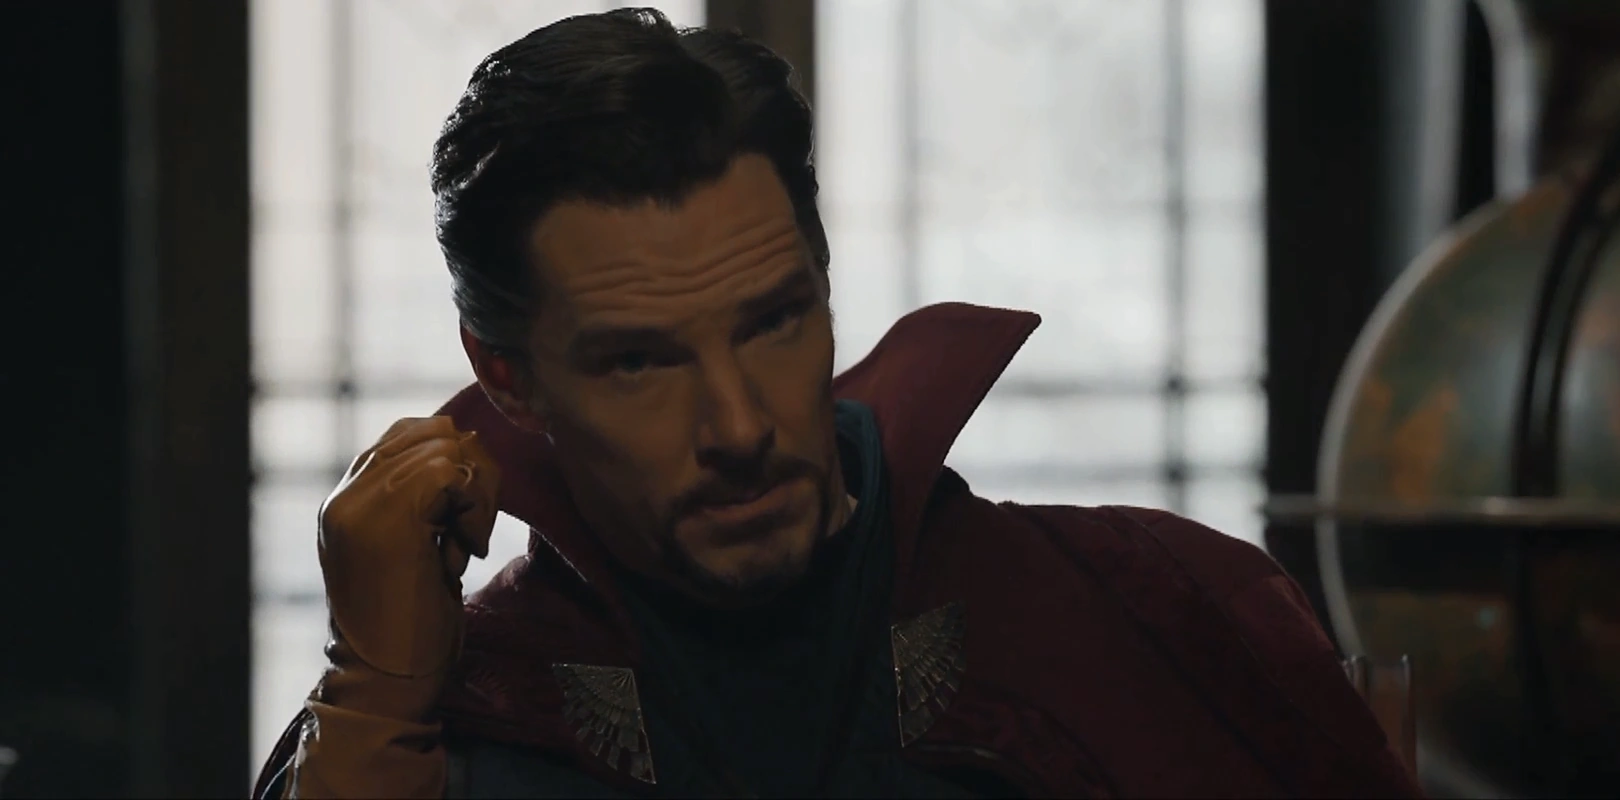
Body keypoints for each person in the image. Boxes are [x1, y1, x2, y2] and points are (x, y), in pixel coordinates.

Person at [252, 8, 1421, 798]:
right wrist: (373, 697)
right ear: (510, 376)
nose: (739, 427)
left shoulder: (1148, 610)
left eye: (772, 321)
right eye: (640, 363)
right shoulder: (465, 719)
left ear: (823, 281)